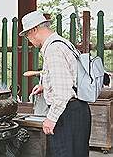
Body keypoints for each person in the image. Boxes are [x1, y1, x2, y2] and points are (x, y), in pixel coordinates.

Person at [19, 10, 91, 157]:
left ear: (34, 30)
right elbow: (69, 77)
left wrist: (51, 119)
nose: (28, 39)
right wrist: (45, 86)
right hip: (78, 110)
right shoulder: (62, 43)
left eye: (27, 35)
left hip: (67, 114)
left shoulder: (53, 49)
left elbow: (63, 93)